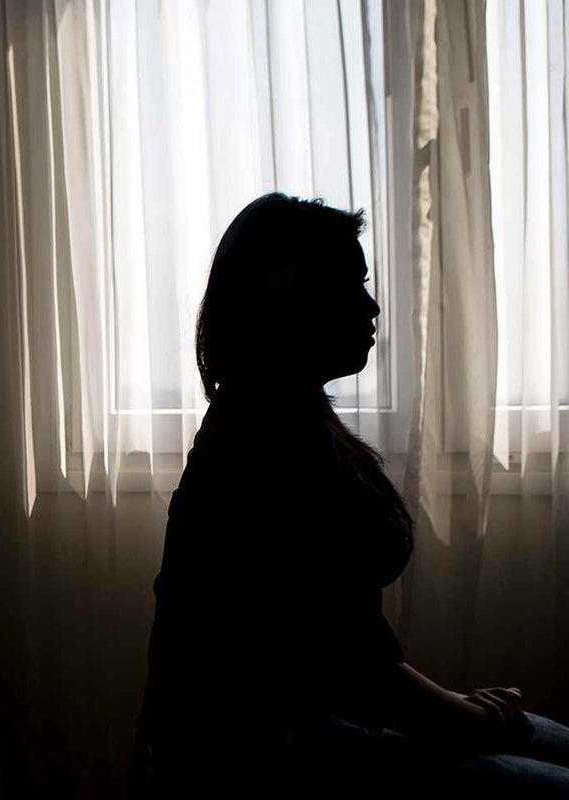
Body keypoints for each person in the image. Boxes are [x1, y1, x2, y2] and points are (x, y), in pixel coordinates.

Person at [128, 193, 569, 797]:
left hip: (317, 720)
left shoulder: (291, 414)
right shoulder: (262, 440)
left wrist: (454, 708)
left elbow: (347, 644)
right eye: (348, 285)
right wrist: (460, 716)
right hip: (258, 757)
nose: (372, 305)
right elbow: (344, 666)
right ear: (284, 299)